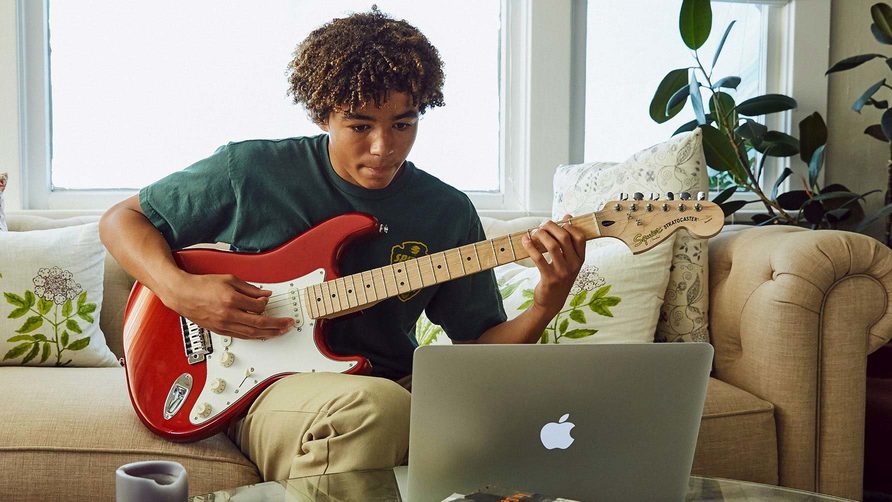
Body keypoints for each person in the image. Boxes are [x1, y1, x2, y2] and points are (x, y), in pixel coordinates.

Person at [99, 10, 586, 482]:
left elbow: (479, 351)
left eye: (403, 124)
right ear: (323, 113)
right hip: (265, 389)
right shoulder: (252, 170)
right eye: (359, 126)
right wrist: (180, 290)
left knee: (539, 409)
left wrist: (548, 301)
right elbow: (123, 220)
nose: (383, 147)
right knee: (378, 406)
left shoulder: (446, 211)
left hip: (394, 382)